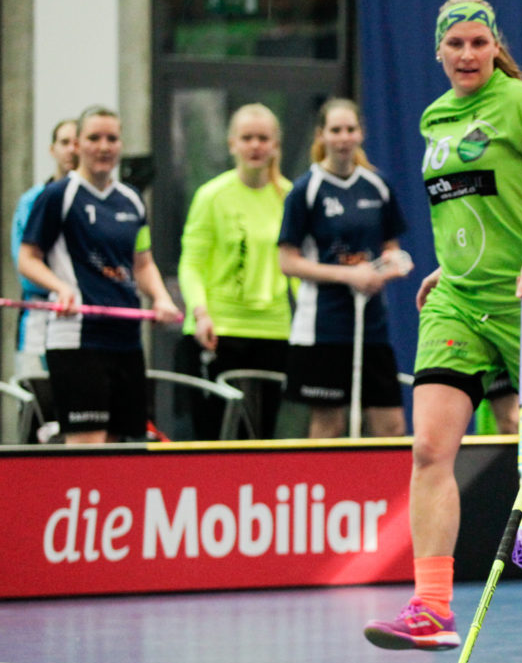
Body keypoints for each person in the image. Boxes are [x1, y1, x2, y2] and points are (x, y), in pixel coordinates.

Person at [361, 0, 522, 651]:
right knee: (429, 447)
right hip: (458, 301)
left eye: (479, 42)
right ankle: (431, 607)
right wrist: (447, 267)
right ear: (438, 52)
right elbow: (459, 211)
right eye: (456, 44)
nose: (468, 54)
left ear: (495, 47)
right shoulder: (434, 117)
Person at [17, 105, 182, 444]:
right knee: (87, 446)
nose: (104, 147)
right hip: (77, 338)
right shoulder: (58, 196)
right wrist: (61, 288)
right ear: (77, 144)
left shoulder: (132, 200)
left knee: (123, 446)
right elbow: (27, 258)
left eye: (112, 138)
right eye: (94, 138)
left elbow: (142, 263)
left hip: (126, 339)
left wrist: (161, 298)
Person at [278, 97, 410, 439]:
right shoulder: (305, 190)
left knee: (392, 426)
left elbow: (390, 246)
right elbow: (287, 261)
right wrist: (349, 275)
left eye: (350, 129)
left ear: (361, 133)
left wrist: (390, 265)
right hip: (323, 326)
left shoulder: (377, 185)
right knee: (329, 427)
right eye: (335, 130)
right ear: (321, 135)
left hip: (372, 325)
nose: (343, 138)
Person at [176, 104, 292, 439]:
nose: (255, 146)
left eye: (263, 138)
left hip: (273, 331)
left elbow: (297, 267)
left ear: (275, 145)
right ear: (232, 144)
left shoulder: (289, 196)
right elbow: (191, 263)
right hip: (218, 330)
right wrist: (200, 313)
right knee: (214, 435)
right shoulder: (211, 196)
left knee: (261, 436)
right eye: (247, 138)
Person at [10, 117, 78, 378]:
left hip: (84, 323)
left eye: (76, 142)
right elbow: (25, 264)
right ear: (52, 149)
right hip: (40, 319)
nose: (71, 150)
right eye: (64, 142)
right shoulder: (33, 200)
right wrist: (61, 289)